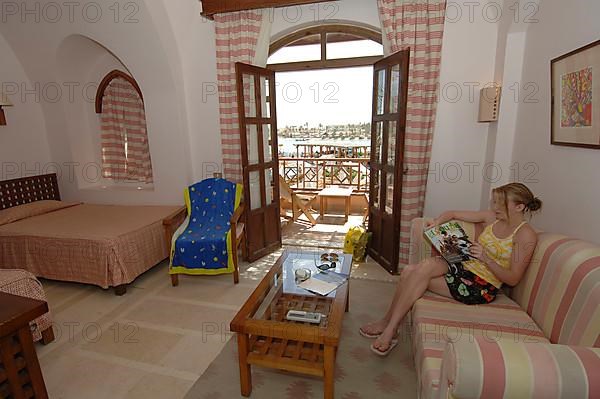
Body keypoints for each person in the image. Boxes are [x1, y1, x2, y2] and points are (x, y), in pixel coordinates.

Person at [360, 182, 542, 356]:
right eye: (495, 202)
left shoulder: (525, 235)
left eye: (501, 203)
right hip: (462, 263)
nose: (495, 207)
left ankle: (390, 327)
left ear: (519, 207)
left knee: (412, 275)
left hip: (481, 285)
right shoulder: (491, 218)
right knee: (411, 270)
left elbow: (512, 279)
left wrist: (486, 258)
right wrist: (437, 223)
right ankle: (389, 324)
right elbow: (452, 213)